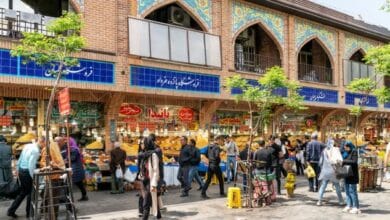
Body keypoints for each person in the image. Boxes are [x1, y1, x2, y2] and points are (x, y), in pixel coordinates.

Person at [7, 137, 42, 218]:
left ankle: (11, 210)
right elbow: (31, 165)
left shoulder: (27, 146)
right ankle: (29, 214)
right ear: (42, 142)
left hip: (22, 171)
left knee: (23, 192)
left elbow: (20, 159)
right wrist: (33, 177)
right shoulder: (36, 151)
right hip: (27, 172)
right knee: (30, 193)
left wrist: (17, 169)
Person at [39, 137, 66, 218]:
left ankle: (47, 216)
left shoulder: (50, 147)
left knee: (52, 199)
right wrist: (52, 165)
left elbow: (44, 163)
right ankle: (46, 215)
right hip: (53, 177)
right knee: (51, 199)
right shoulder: (50, 147)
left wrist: (53, 165)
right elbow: (44, 162)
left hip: (55, 176)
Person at [138, 136, 162, 219]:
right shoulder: (144, 155)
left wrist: (154, 183)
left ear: (146, 144)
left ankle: (145, 217)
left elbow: (156, 170)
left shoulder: (153, 155)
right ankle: (158, 214)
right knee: (150, 198)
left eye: (142, 143)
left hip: (151, 181)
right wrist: (140, 175)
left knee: (146, 201)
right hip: (144, 180)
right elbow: (142, 167)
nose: (141, 145)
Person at [59, 137, 88, 201]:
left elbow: (72, 158)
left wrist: (66, 160)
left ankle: (66, 197)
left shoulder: (74, 149)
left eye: (67, 142)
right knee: (78, 183)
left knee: (75, 183)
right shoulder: (70, 149)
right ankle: (84, 195)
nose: (66, 143)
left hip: (76, 169)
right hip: (74, 168)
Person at [317, 140, 344, 206]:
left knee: (323, 186)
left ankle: (319, 201)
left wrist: (322, 168)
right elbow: (340, 160)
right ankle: (341, 201)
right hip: (334, 170)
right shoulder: (336, 149)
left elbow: (320, 162)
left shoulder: (324, 151)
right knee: (337, 185)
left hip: (325, 170)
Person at [342, 142, 361, 214]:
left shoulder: (354, 151)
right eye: (344, 147)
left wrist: (344, 161)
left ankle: (356, 207)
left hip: (353, 175)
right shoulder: (345, 153)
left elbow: (354, 161)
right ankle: (349, 205)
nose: (345, 148)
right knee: (347, 191)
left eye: (346, 147)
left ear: (350, 146)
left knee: (352, 191)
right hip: (346, 173)